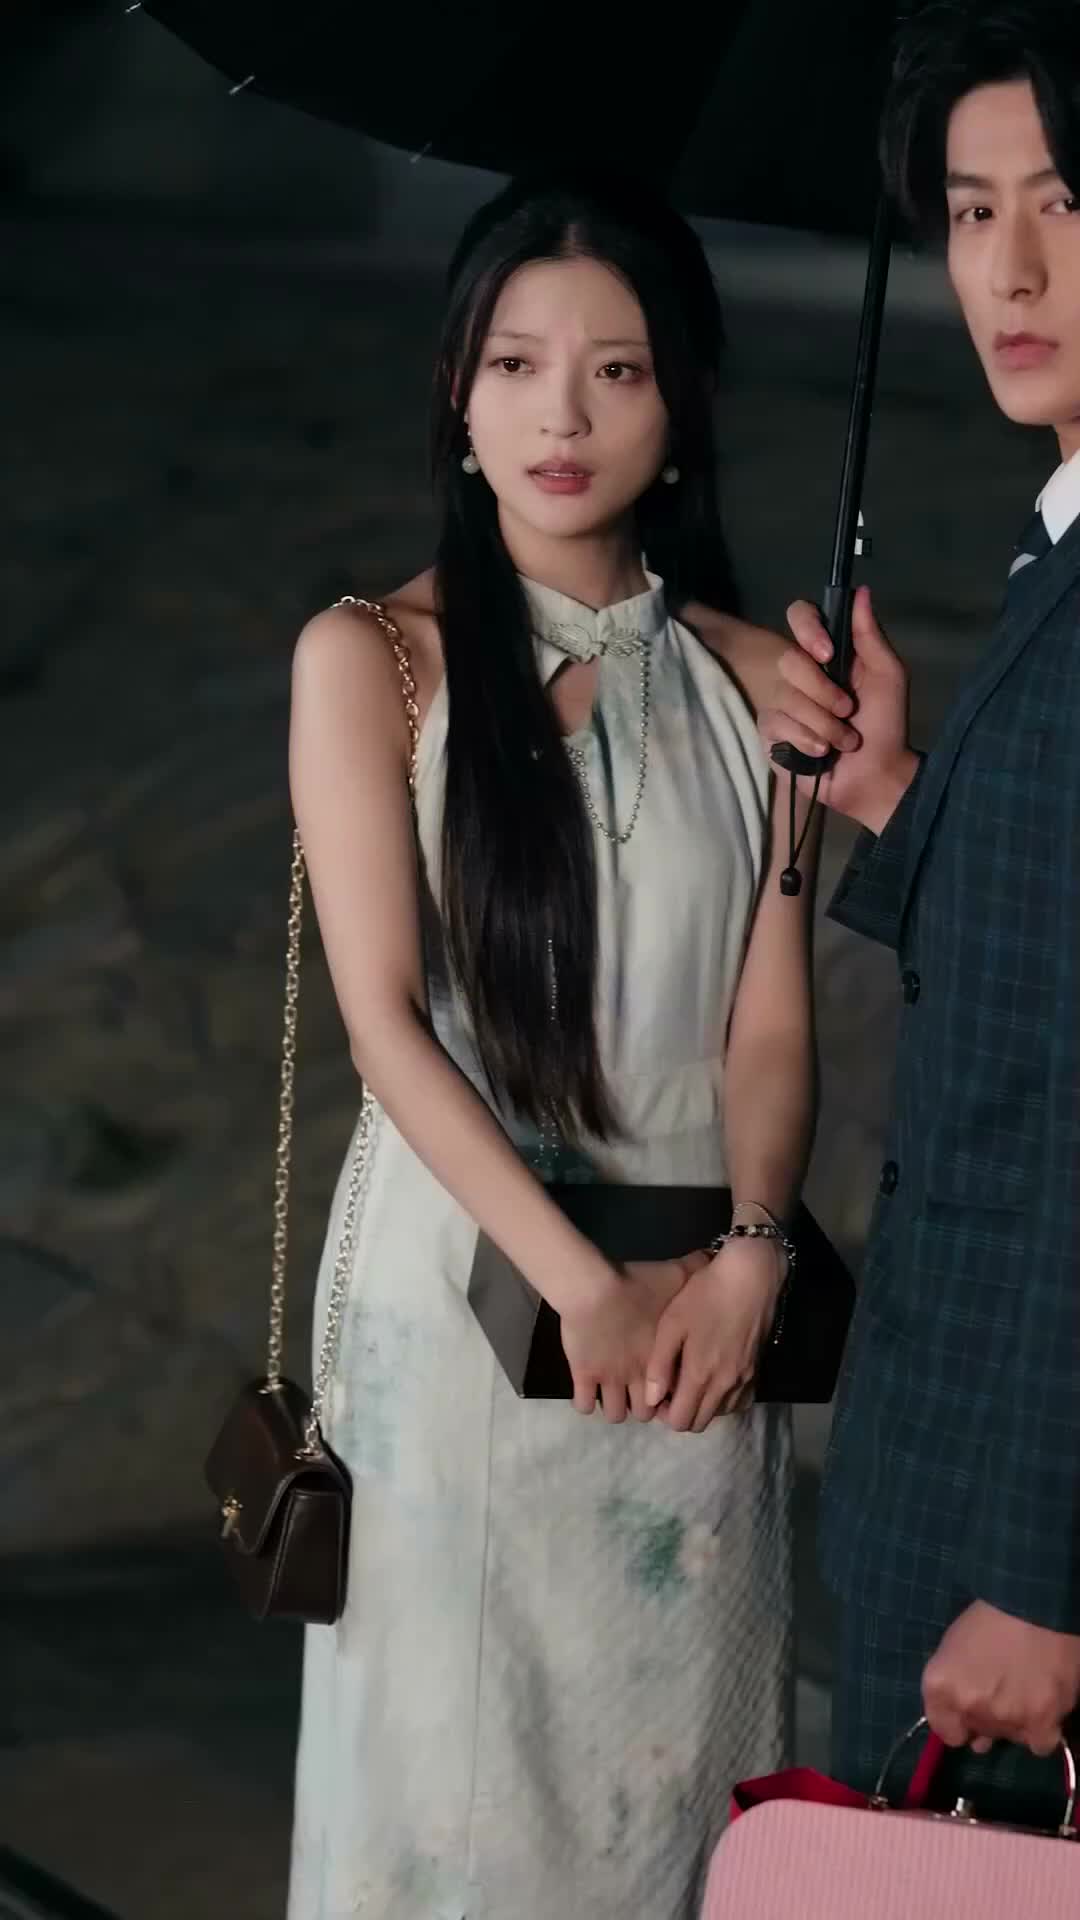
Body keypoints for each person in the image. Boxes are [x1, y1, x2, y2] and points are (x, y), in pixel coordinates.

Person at [285, 172, 818, 1918]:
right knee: (450, 1810)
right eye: (515, 365)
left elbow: (766, 1018)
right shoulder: (376, 660)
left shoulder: (764, 688)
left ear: (685, 407)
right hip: (470, 1307)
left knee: (671, 1809)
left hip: (702, 1325)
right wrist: (580, 1285)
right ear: (459, 391)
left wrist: (754, 1256)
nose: (561, 418)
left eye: (617, 370)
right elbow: (385, 1023)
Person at [762, 0, 1080, 1828]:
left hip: (1013, 1539)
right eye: (970, 212)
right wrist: (897, 795)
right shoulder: (1061, 553)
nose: (1009, 270)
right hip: (957, 1469)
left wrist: (1044, 1574)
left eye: (1064, 202)